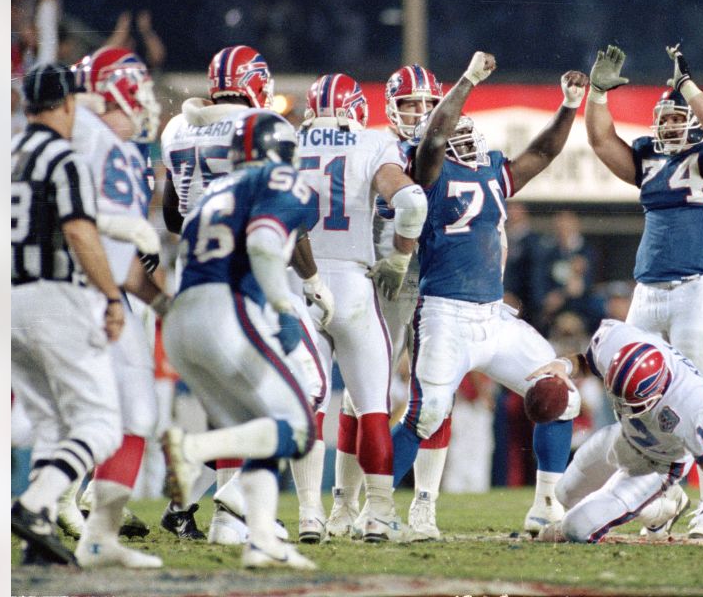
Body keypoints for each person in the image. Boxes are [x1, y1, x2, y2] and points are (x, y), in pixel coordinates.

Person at [387, 52, 586, 539]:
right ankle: (375, 505)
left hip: (493, 317)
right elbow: (433, 136)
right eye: (457, 130)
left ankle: (545, 505)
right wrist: (469, 80)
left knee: (561, 395)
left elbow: (542, 154)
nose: (466, 137)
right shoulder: (425, 171)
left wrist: (568, 107)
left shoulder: (493, 174)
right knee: (427, 412)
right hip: (444, 314)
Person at [583, 43, 703, 538]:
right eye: (663, 117)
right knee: (628, 394)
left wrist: (687, 86)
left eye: (677, 115)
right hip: (648, 291)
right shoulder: (651, 159)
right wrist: (597, 95)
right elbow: (602, 144)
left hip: (694, 291)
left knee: (697, 399)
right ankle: (662, 493)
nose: (666, 125)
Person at [157, 45, 331, 545]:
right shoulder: (262, 127)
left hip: (191, 272)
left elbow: (172, 215)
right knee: (307, 386)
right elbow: (278, 224)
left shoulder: (178, 128)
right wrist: (311, 284)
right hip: (248, 278)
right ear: (256, 81)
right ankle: (233, 495)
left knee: (230, 399)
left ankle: (204, 511)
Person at [293, 73, 428, 543]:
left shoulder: (287, 140)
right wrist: (399, 256)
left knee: (308, 403)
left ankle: (311, 515)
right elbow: (411, 199)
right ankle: (377, 514)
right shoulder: (370, 143)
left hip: (297, 281)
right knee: (372, 405)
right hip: (352, 281)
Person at [53, 47, 170, 568]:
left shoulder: (125, 153)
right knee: (61, 415)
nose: (145, 101)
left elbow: (123, 264)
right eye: (136, 87)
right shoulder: (84, 132)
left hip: (105, 291)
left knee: (132, 412)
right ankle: (46, 503)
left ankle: (92, 530)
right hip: (66, 289)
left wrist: (164, 301)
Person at [10, 63, 126, 566]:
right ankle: (35, 504)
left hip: (3, 299)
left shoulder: (6, 155)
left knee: (50, 424)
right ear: (68, 104)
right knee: (101, 425)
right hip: (53, 296)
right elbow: (80, 232)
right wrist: (112, 296)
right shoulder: (65, 158)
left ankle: (36, 539)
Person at [327, 64, 445, 540]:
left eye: (425, 104)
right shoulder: (375, 145)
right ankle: (343, 503)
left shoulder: (455, 144)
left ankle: (425, 505)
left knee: (438, 391)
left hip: (439, 277)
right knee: (362, 392)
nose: (418, 113)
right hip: (386, 276)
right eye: (409, 104)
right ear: (391, 109)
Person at [531, 319, 703, 544]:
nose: (623, 406)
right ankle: (661, 506)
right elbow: (587, 362)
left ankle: (659, 501)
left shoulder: (693, 403)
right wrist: (565, 366)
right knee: (564, 494)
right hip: (622, 436)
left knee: (574, 529)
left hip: (658, 464)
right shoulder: (617, 343)